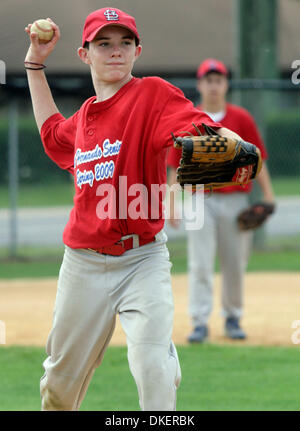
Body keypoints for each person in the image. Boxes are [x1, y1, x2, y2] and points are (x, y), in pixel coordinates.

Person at [24, 9, 249, 411]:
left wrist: (234, 148)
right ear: (84, 54)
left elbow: (201, 129)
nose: (116, 51)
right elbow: (51, 135)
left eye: (125, 43)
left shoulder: (152, 95)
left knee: (152, 370)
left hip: (142, 258)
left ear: (137, 50)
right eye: (104, 43)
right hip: (83, 263)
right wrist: (34, 64)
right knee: (58, 387)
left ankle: (161, 355)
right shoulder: (85, 117)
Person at [168, 58, 274, 343]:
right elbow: (174, 165)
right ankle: (200, 322)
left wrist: (268, 194)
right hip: (199, 199)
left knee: (235, 262)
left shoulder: (241, 119)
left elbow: (258, 157)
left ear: (225, 84)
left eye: (219, 80)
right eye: (208, 80)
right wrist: (171, 202)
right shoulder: (189, 119)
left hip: (234, 200)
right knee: (200, 263)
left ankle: (232, 316)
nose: (214, 85)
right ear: (200, 84)